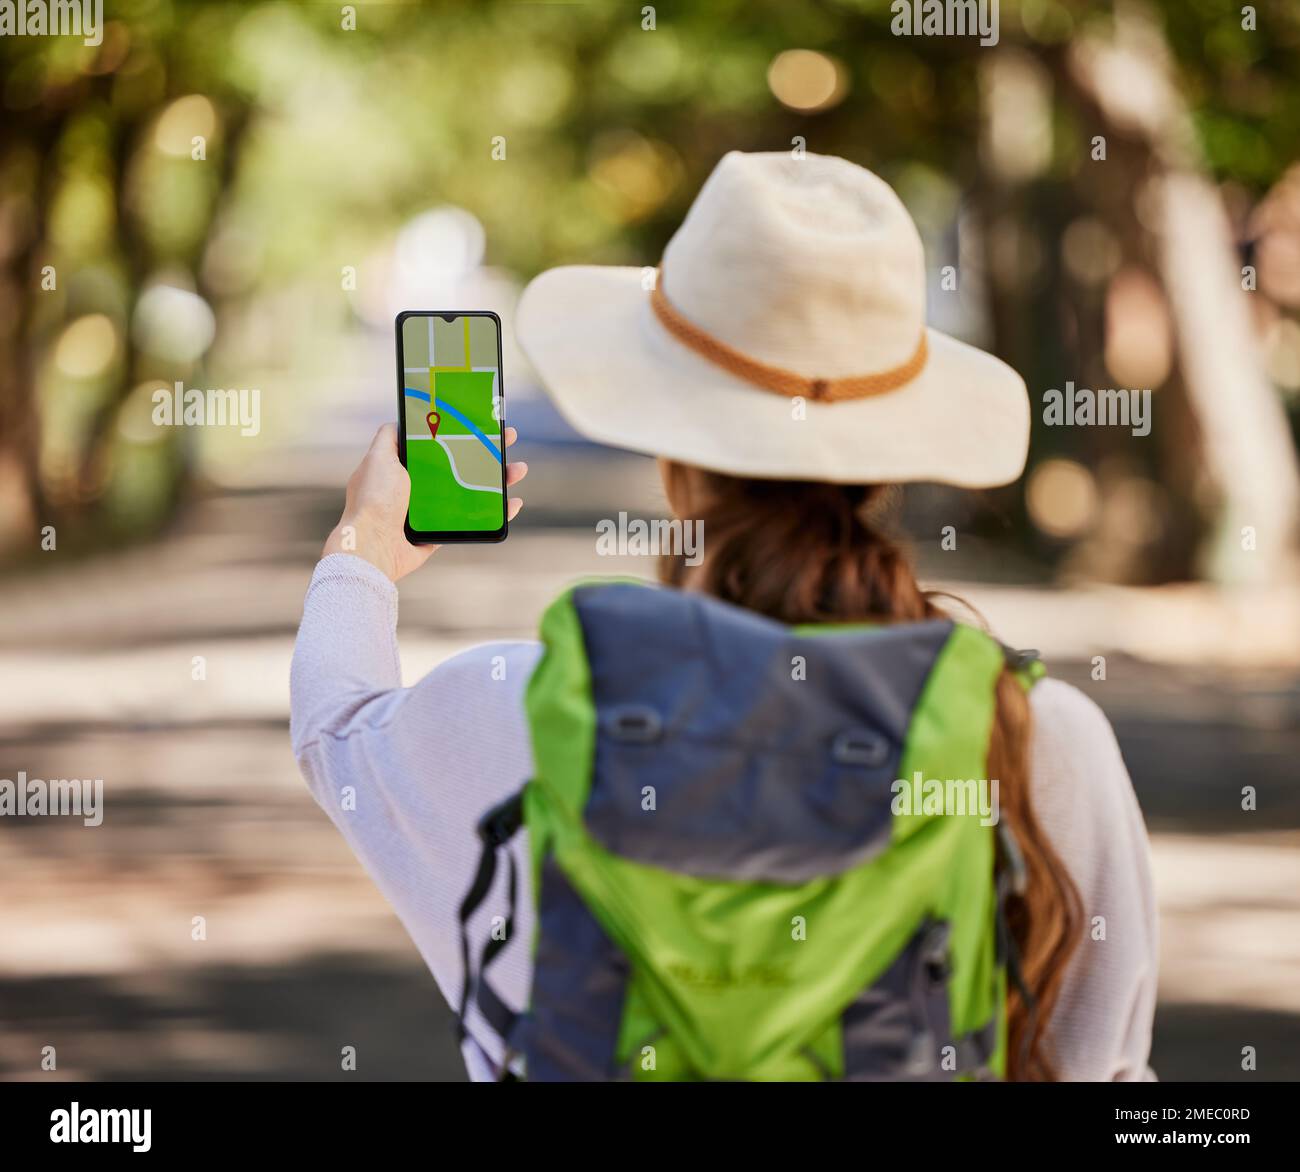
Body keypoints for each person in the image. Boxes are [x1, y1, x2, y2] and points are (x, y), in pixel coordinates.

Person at [290, 151, 1157, 1082]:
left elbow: (334, 728)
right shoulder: (1037, 742)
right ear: (894, 445)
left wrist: (368, 542)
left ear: (672, 452)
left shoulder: (521, 714)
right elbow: (1101, 1071)